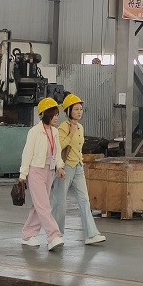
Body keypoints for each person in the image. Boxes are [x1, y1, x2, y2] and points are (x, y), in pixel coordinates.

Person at [50, 93, 105, 246]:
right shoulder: (64, 127)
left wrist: (80, 160)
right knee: (60, 202)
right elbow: (59, 146)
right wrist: (71, 134)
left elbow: (78, 148)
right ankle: (55, 235)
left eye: (81, 109)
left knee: (84, 200)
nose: (79, 112)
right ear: (69, 111)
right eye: (76, 109)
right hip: (65, 167)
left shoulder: (80, 127)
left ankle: (91, 234)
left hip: (78, 167)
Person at [18, 97, 66, 251]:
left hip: (49, 171)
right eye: (54, 114)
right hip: (36, 170)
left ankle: (28, 235)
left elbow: (57, 152)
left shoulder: (55, 132)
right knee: (44, 205)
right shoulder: (34, 132)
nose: (56, 117)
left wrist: (60, 167)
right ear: (45, 114)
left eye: (57, 114)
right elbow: (27, 153)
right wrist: (23, 174)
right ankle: (53, 236)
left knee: (38, 205)